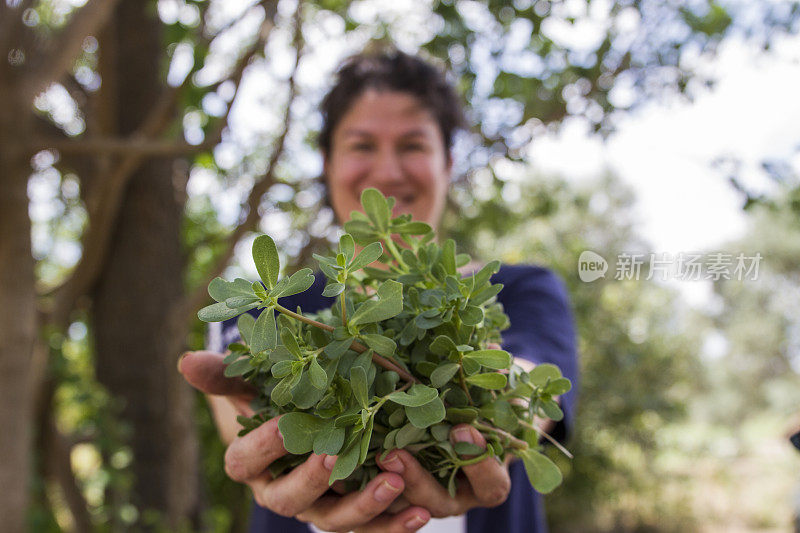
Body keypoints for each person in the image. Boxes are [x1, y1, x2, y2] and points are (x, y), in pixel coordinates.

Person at [179, 49, 578, 533]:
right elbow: (241, 421)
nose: (388, 172)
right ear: (327, 163)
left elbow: (525, 389)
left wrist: (500, 411)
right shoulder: (275, 308)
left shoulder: (518, 291)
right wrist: (265, 457)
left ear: (448, 163)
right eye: (362, 146)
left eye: (412, 145)